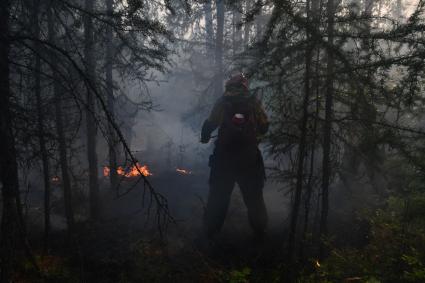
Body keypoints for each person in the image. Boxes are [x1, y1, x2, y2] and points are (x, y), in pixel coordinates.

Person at [201, 74, 269, 241]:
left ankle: (210, 236)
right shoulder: (253, 102)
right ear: (245, 86)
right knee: (254, 199)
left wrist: (205, 137)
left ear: (229, 86)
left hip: (224, 159)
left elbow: (210, 123)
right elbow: (264, 126)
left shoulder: (223, 101)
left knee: (218, 197)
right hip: (249, 159)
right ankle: (261, 236)